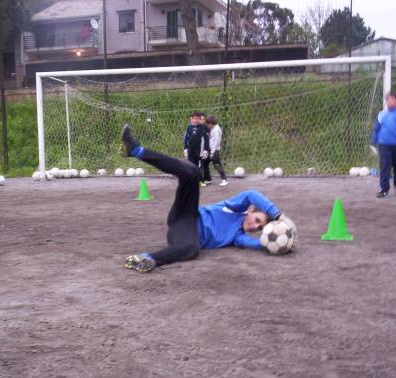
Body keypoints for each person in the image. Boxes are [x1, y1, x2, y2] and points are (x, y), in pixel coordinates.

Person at [120, 124, 285, 272]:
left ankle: (147, 259)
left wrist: (280, 244)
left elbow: (261, 242)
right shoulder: (234, 207)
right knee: (193, 173)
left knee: (192, 249)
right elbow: (251, 194)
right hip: (187, 214)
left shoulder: (238, 237)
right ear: (250, 209)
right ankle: (136, 150)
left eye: (259, 228)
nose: (255, 227)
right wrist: (276, 214)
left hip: (185, 236)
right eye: (257, 220)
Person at [370, 91, 396, 198]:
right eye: (388, 99)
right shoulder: (381, 114)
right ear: (385, 101)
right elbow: (376, 129)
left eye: (392, 99)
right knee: (385, 167)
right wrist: (373, 143)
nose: (390, 101)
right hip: (384, 145)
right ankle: (384, 189)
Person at [183, 111, 210, 186]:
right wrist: (185, 149)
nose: (196, 120)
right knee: (190, 166)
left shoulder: (203, 127)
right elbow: (186, 139)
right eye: (194, 118)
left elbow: (206, 140)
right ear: (191, 119)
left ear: (200, 120)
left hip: (200, 152)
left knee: (199, 167)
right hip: (191, 151)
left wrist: (206, 150)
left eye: (198, 119)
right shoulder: (189, 127)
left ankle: (201, 181)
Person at [204, 115, 228, 187]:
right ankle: (208, 179)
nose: (207, 126)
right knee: (205, 163)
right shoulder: (213, 129)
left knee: (217, 165)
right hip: (210, 149)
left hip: (214, 151)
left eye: (208, 124)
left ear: (211, 123)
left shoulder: (217, 129)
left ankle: (224, 180)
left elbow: (216, 142)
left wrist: (212, 152)